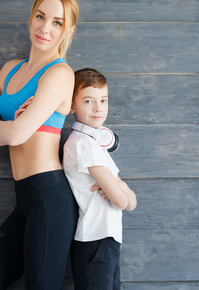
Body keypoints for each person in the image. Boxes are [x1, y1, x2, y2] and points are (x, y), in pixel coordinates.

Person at [0, 0, 79, 290]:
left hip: (50, 199)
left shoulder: (60, 74)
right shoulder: (10, 69)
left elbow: (14, 134)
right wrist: (7, 128)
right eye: (40, 17)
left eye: (57, 22)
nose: (45, 28)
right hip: (24, 200)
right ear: (31, 18)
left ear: (68, 30)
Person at [63, 68, 137, 290]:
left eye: (103, 100)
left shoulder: (94, 143)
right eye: (88, 101)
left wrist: (119, 186)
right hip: (95, 241)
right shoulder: (83, 143)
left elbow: (130, 202)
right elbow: (123, 202)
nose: (98, 108)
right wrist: (120, 189)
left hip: (106, 239)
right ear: (71, 105)